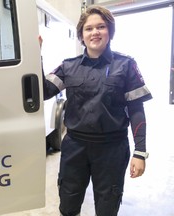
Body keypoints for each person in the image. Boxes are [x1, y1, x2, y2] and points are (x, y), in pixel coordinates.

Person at [40, 5, 152, 216]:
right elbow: (44, 92)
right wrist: (36, 56)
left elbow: (136, 110)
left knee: (107, 207)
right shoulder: (68, 66)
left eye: (101, 27)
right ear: (82, 35)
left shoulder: (126, 65)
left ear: (110, 31)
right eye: (89, 28)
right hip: (75, 148)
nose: (95, 32)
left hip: (112, 149)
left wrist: (140, 152)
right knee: (68, 205)